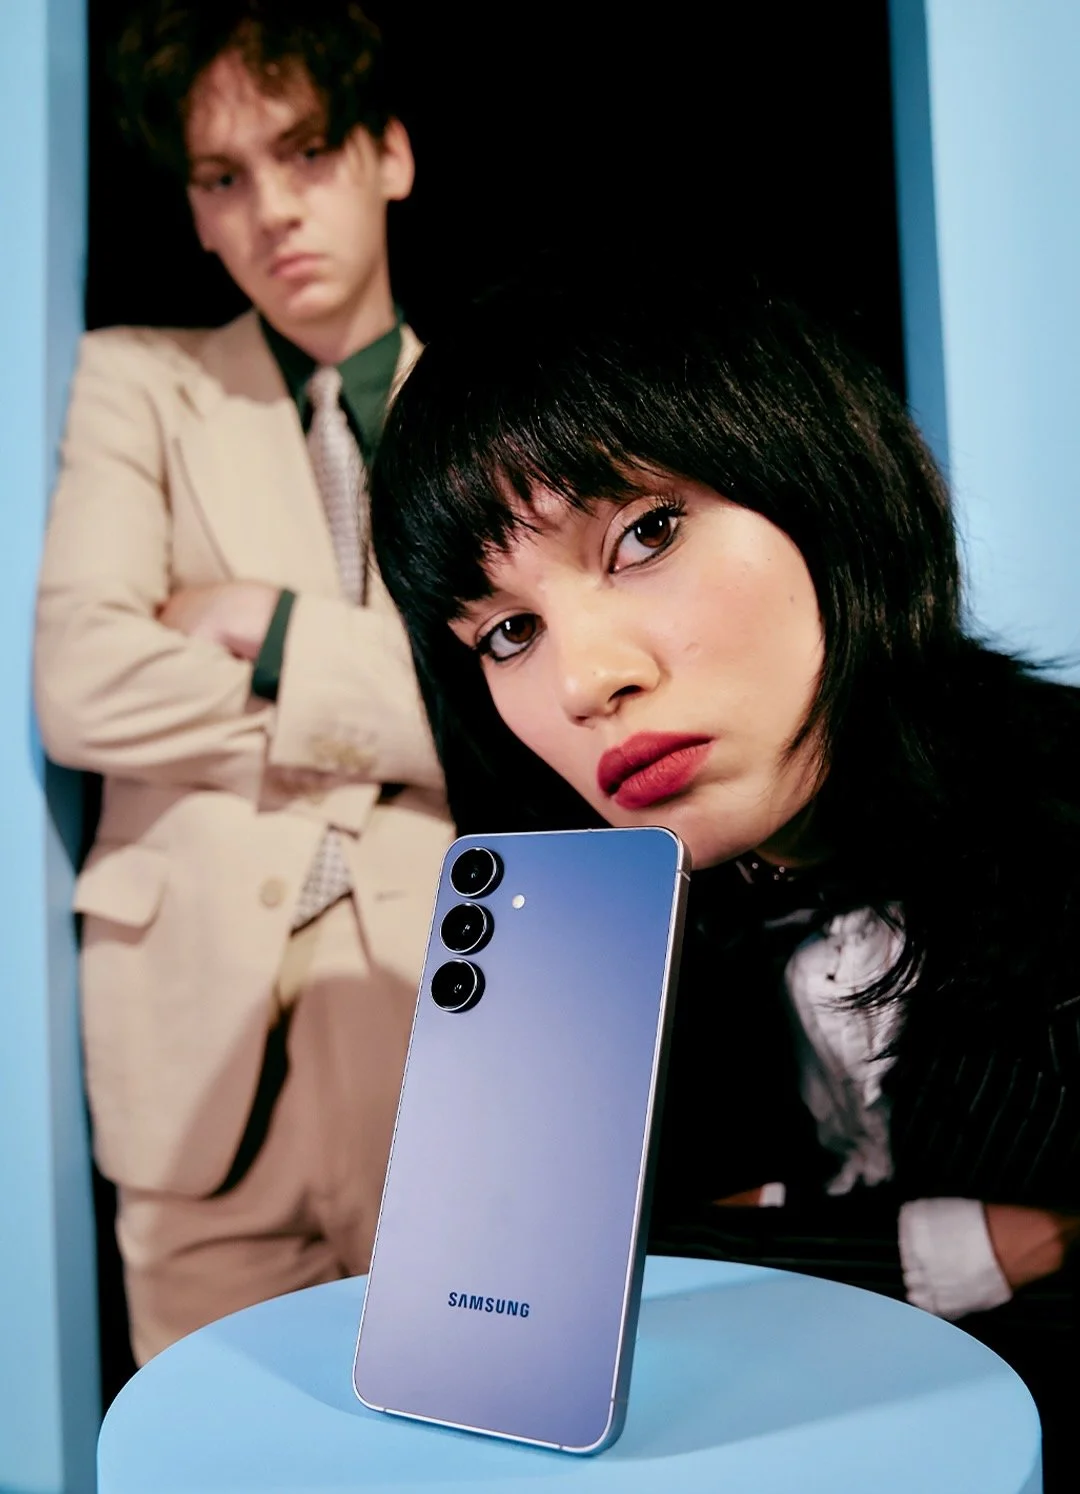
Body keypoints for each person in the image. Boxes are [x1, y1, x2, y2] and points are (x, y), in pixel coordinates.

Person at [368, 256, 1080, 1482]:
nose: (585, 682)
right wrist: (951, 1247)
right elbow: (583, 1280)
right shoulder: (614, 925)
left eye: (643, 533)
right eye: (509, 632)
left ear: (821, 482)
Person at [34, 0, 452, 1364]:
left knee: (463, 1433)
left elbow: (511, 720)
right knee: (206, 1443)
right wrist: (389, 715)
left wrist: (263, 628)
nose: (273, 210)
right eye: (224, 177)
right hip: (192, 1049)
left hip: (442, 1024)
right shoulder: (139, 383)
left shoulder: (501, 404)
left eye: (308, 151)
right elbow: (82, 683)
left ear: (390, 154)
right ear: (197, 213)